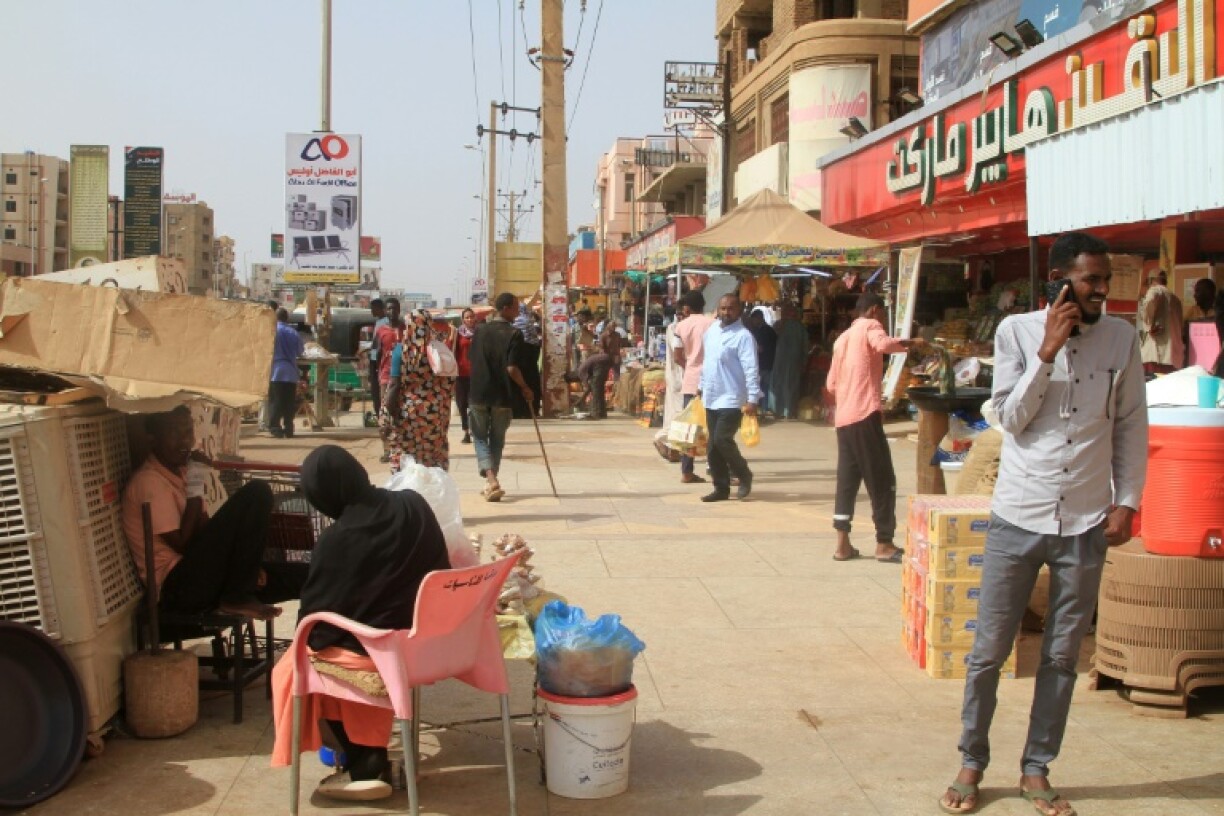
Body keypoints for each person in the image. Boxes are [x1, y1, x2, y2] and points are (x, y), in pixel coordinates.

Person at [938, 232, 1147, 816]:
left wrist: (1127, 499)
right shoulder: (1017, 334)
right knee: (988, 652)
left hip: (1085, 519)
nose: (1102, 290)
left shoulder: (1122, 338)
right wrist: (1048, 353)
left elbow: (1130, 424)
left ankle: (1037, 767)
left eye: (1104, 280)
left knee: (1061, 655)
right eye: (1090, 280)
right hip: (1018, 515)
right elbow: (1008, 418)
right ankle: (972, 760)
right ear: (1058, 281)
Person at [271, 446, 450, 802]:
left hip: (379, 654)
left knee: (299, 661)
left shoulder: (336, 541)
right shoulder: (413, 504)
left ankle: (362, 759)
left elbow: (315, 624)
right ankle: (366, 758)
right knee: (344, 645)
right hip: (429, 644)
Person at [122, 406, 305, 622]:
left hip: (205, 576)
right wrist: (196, 483)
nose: (184, 442)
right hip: (178, 587)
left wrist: (246, 568)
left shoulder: (181, 473)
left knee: (304, 576)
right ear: (153, 439)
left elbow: (205, 531)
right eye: (174, 433)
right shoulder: (149, 481)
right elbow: (182, 544)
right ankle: (237, 596)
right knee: (257, 493)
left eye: (188, 432)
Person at [825, 293, 923, 563]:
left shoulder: (842, 338)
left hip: (844, 418)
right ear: (875, 310)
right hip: (864, 413)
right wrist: (911, 343)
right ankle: (884, 543)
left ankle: (842, 543)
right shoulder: (870, 326)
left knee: (847, 481)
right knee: (881, 479)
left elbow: (831, 384)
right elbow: (883, 345)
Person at [469, 292, 533, 501]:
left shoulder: (479, 330)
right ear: (505, 308)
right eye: (515, 307)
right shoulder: (514, 333)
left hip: (478, 391)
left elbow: (473, 359)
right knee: (496, 439)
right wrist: (525, 387)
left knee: (479, 437)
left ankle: (491, 479)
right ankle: (492, 479)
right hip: (502, 395)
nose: (518, 311)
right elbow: (512, 368)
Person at [698, 294, 759, 502]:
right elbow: (708, 362)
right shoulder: (712, 331)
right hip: (712, 396)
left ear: (739, 310)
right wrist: (701, 386)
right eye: (723, 308)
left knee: (722, 439)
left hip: (732, 398)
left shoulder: (743, 336)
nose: (726, 313)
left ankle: (743, 474)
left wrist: (753, 398)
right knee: (712, 447)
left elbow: (751, 369)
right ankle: (721, 488)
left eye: (730, 309)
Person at [380, 309, 455, 471]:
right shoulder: (439, 350)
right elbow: (450, 381)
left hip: (409, 413)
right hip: (436, 414)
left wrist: (386, 416)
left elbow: (393, 385)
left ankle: (407, 493)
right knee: (433, 457)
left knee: (406, 457)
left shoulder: (402, 350)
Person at [672, 291, 716, 485]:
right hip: (712, 381)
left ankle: (686, 471)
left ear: (687, 308)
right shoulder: (713, 324)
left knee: (688, 427)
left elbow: (677, 356)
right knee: (713, 425)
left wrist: (689, 366)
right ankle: (714, 467)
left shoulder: (680, 326)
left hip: (690, 380)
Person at [1137, 270, 1184, 374]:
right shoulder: (1176, 299)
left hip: (1156, 355)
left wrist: (1149, 326)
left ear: (1151, 280)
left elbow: (1151, 305)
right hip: (1173, 357)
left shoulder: (1154, 291)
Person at [268, 308, 304, 438]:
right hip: (290, 372)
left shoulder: (271, 331)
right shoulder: (293, 333)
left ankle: (275, 428)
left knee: (276, 401)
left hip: (275, 371)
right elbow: (300, 352)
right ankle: (289, 428)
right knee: (289, 402)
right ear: (287, 318)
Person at [772, 303, 809, 420]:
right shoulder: (801, 327)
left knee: (778, 385)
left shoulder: (779, 325)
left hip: (779, 361)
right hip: (794, 361)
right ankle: (789, 411)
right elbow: (806, 346)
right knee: (792, 386)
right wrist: (804, 361)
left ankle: (778, 411)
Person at [512, 292, 543, 419]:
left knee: (518, 382)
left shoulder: (514, 321)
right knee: (533, 382)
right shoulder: (529, 320)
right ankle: (533, 410)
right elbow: (535, 340)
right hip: (531, 353)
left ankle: (519, 410)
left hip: (518, 354)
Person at [746, 308, 777, 413]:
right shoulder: (769, 330)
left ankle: (764, 410)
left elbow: (760, 348)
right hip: (769, 363)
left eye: (753, 319)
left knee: (763, 388)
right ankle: (764, 410)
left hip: (763, 364)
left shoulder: (763, 331)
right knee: (766, 388)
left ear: (759, 318)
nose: (752, 322)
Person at [453, 308, 478, 444]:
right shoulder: (458, 334)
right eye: (467, 317)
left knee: (474, 404)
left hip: (476, 374)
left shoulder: (480, 333)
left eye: (471, 317)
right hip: (461, 374)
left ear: (475, 318)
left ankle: (475, 429)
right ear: (463, 320)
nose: (469, 319)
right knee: (462, 404)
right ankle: (466, 432)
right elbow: (453, 351)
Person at [568, 350, 613, 418]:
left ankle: (597, 413)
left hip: (600, 362)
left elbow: (588, 388)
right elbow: (590, 387)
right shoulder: (583, 370)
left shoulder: (580, 373)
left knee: (596, 391)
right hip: (605, 360)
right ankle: (602, 414)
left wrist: (580, 400)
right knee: (599, 390)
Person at [366, 298, 388, 420]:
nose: (371, 311)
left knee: (377, 389)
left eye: (373, 309)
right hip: (375, 358)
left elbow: (378, 343)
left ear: (379, 309)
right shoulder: (379, 322)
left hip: (377, 360)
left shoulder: (383, 323)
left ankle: (380, 413)